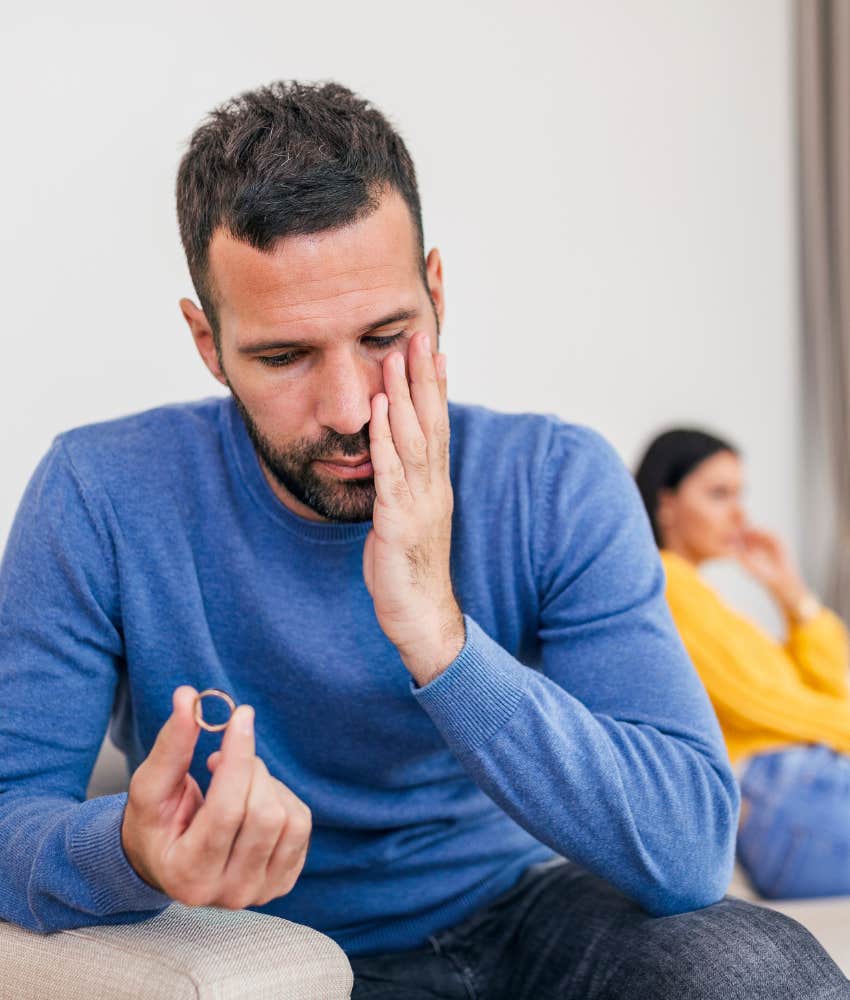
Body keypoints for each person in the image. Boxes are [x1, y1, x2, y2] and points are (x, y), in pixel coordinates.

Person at [0, 81, 845, 999]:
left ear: (435, 293)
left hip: (525, 911)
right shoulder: (99, 492)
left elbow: (687, 851)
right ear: (209, 343)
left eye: (385, 336)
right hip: (274, 953)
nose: (350, 408)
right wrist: (128, 849)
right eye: (283, 357)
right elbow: (12, 811)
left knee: (756, 968)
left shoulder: (555, 479)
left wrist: (438, 633)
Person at [635, 427, 850, 903]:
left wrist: (792, 594)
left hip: (811, 779)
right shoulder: (662, 584)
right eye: (718, 494)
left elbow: (829, 692)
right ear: (665, 503)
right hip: (782, 794)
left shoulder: (712, 602)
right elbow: (764, 708)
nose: (739, 513)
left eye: (740, 494)